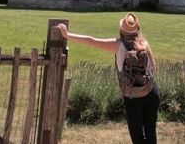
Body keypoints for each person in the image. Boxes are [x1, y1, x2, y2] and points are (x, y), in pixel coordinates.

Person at [56, 13, 159, 143]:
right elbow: (154, 69)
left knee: (137, 137)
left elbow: (91, 40)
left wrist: (67, 35)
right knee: (151, 133)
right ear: (137, 29)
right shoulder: (144, 44)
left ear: (121, 31)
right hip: (151, 91)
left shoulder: (117, 45)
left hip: (132, 95)